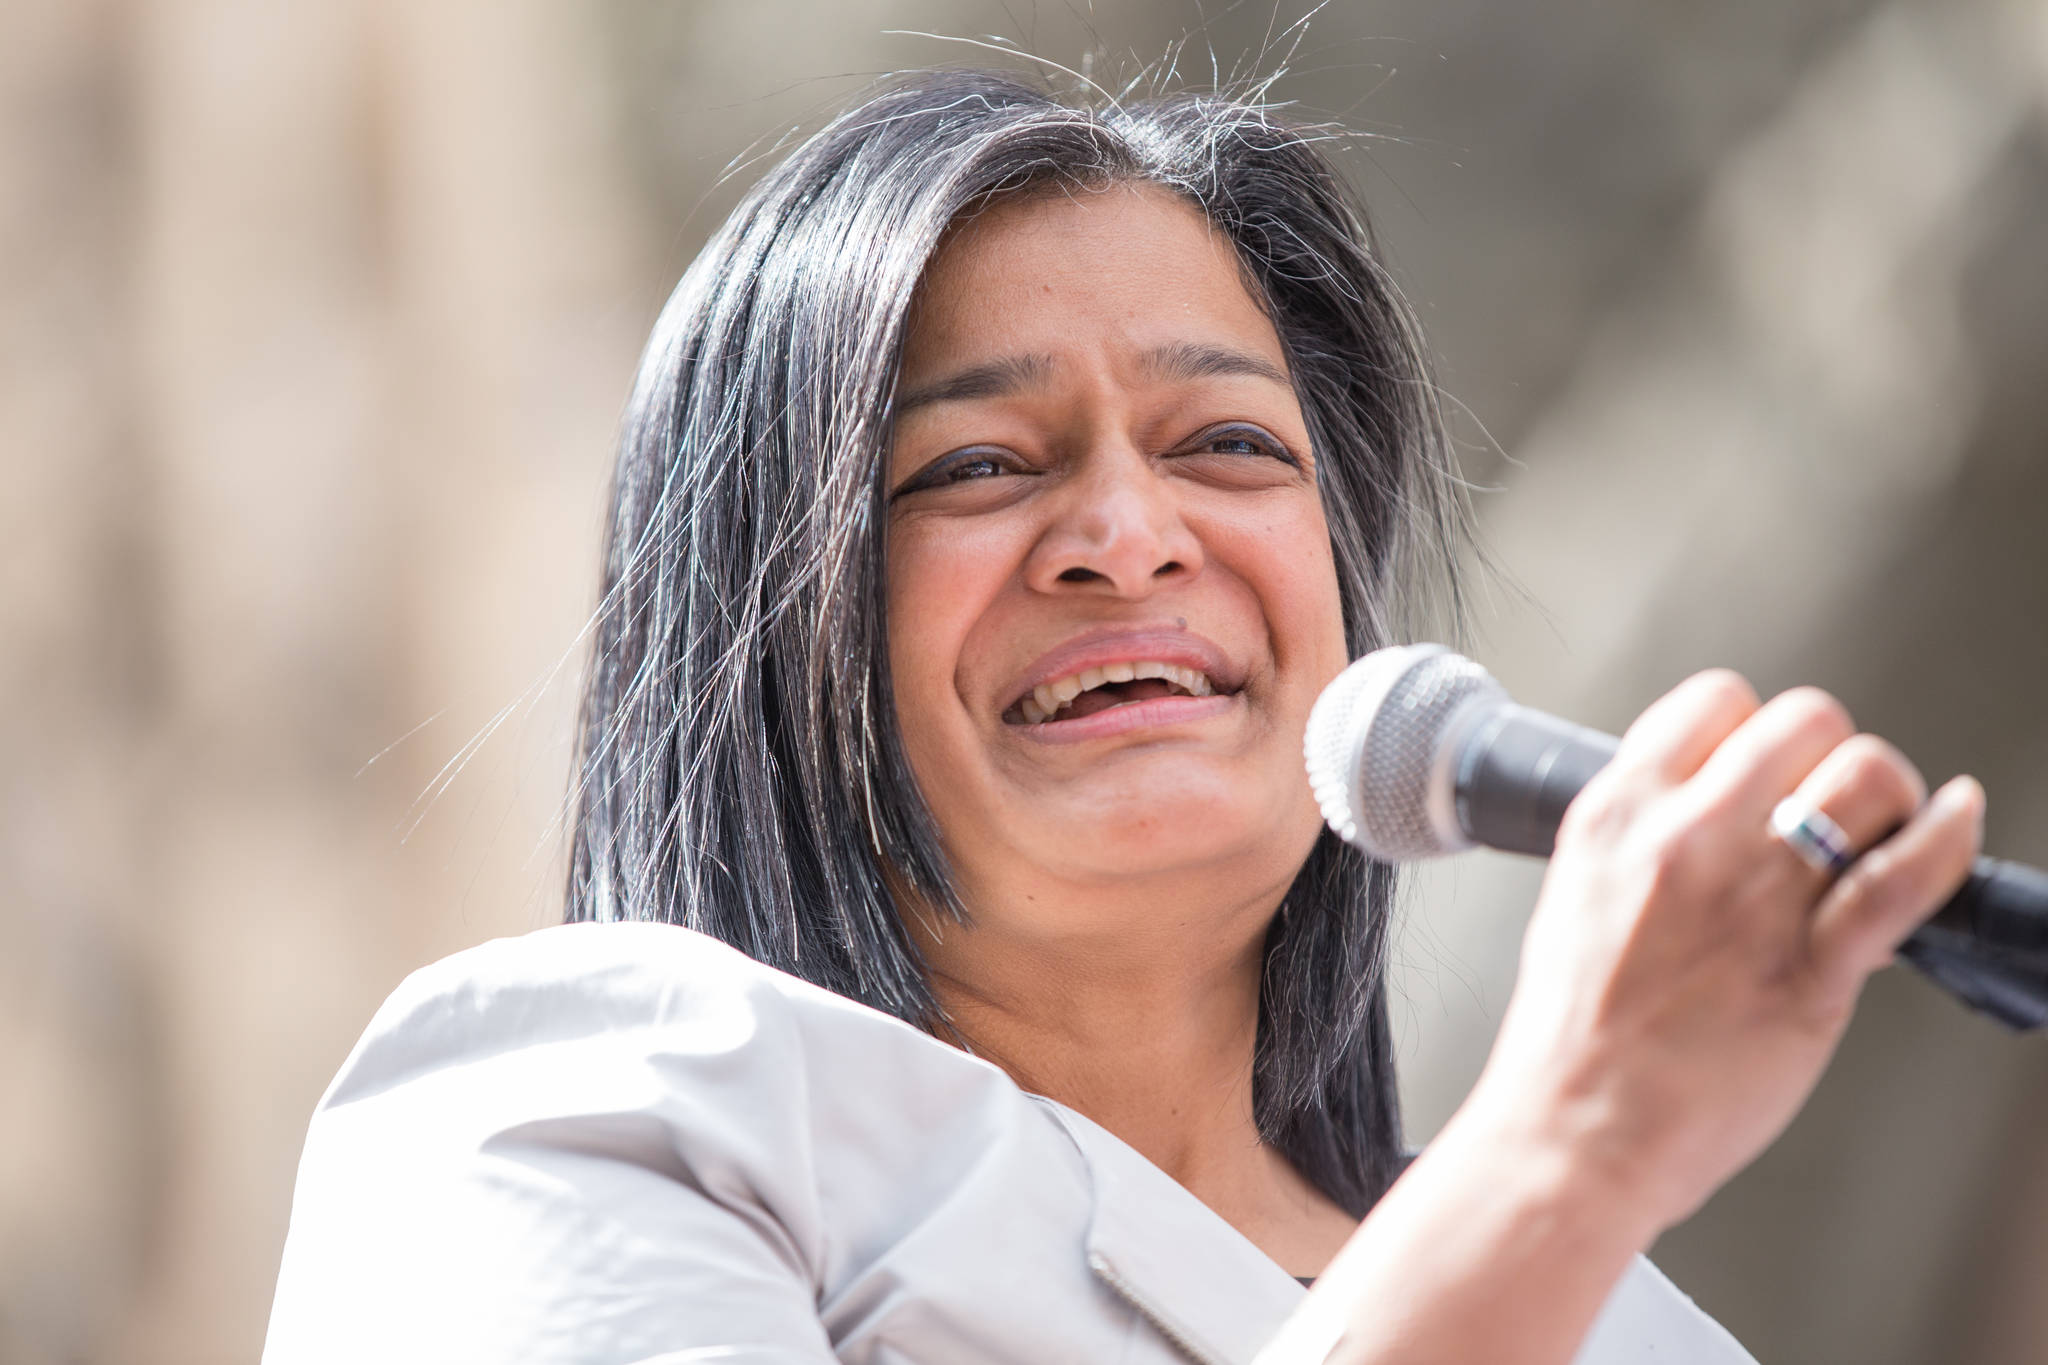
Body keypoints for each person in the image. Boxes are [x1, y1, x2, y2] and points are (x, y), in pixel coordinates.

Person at [263, 70, 1984, 1364]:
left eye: (1228, 445)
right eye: (982, 466)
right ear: (768, 633)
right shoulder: (574, 1112)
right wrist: (1571, 1145)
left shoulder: (1636, 1336)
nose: (1130, 534)